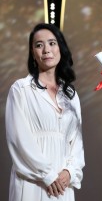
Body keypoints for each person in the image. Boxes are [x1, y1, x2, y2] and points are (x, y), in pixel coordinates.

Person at [5, 23, 85, 201]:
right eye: (39, 45)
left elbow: (76, 144)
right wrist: (47, 175)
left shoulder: (71, 95)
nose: (46, 50)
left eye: (52, 43)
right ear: (33, 53)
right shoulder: (21, 90)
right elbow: (19, 140)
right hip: (32, 183)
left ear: (60, 48)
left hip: (62, 187)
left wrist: (69, 172)